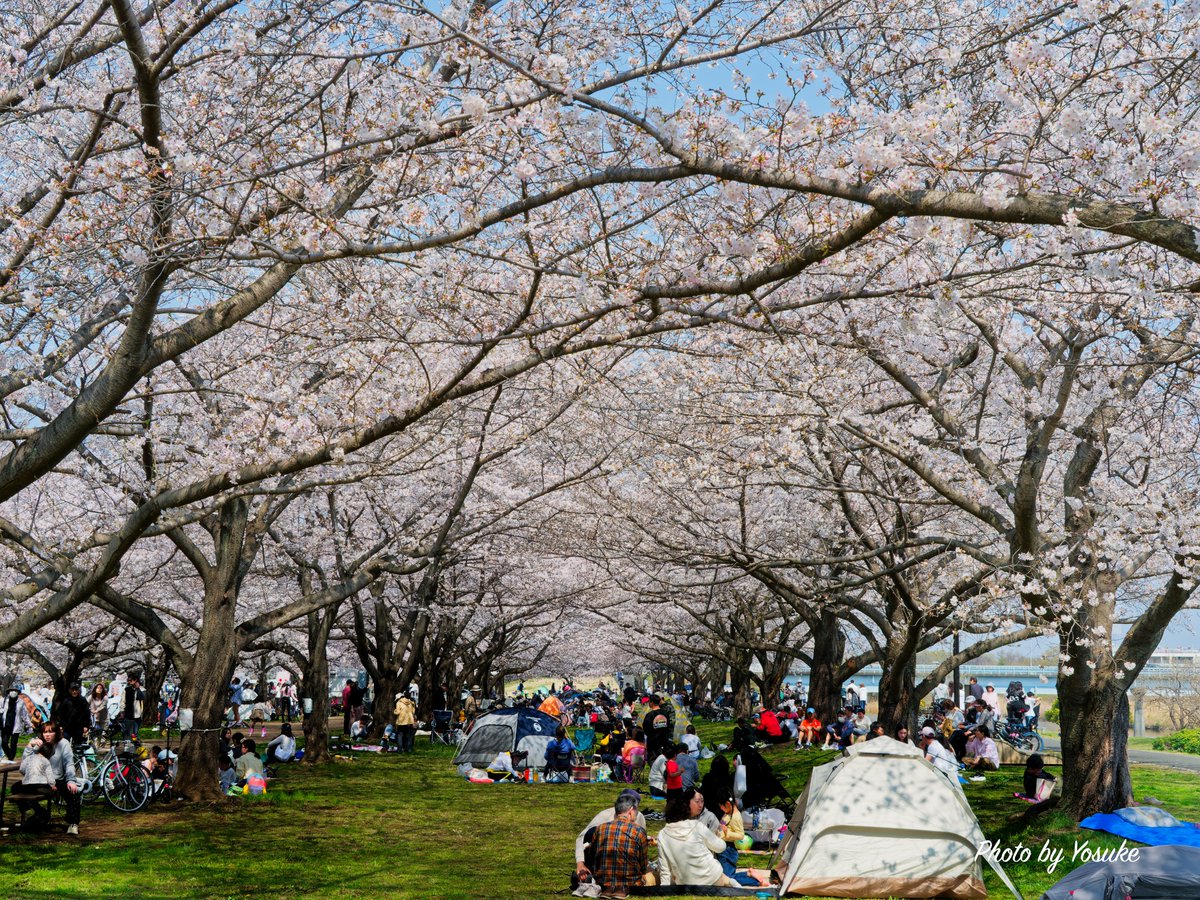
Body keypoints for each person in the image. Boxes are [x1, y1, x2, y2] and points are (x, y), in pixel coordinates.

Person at [657, 789, 770, 888]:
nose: (700, 804)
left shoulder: (663, 834)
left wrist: (664, 889)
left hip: (688, 880)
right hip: (710, 874)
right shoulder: (697, 825)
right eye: (697, 801)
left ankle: (748, 878)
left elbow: (664, 869)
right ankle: (747, 878)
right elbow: (719, 845)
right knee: (728, 878)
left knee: (729, 876)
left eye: (702, 801)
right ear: (687, 805)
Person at [22, 720, 83, 834]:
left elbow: (69, 763)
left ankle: (73, 823)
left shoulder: (63, 744)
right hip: (36, 781)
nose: (47, 735)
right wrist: (30, 745)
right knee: (17, 788)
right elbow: (25, 762)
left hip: (56, 780)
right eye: (45, 732)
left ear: (56, 733)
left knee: (73, 792)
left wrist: (71, 780)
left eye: (51, 732)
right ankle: (40, 813)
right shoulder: (37, 743)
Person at [586, 792, 650, 898]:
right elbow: (643, 864)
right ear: (630, 811)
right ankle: (622, 888)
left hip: (603, 880)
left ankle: (609, 888)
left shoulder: (600, 828)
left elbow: (593, 855)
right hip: (630, 881)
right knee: (652, 874)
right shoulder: (638, 830)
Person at [713, 787, 772, 887]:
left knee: (729, 878)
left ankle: (757, 882)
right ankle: (749, 873)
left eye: (721, 806)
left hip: (728, 851)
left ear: (728, 804)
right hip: (723, 849)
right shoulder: (728, 813)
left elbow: (740, 835)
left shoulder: (736, 817)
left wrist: (727, 832)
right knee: (726, 876)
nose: (720, 808)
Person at [14, 739, 56, 828]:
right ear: (49, 754)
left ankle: (27, 807)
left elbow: (21, 769)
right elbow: (50, 776)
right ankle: (41, 813)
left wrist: (27, 774)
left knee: (15, 787)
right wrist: (53, 785)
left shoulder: (29, 758)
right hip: (40, 786)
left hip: (27, 786)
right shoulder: (45, 761)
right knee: (52, 792)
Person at [1, 684, 32, 761]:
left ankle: (11, 759)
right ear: (8, 692)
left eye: (15, 691)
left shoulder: (21, 702)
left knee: (13, 744)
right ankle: (10, 756)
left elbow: (24, 714)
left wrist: (29, 724)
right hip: (5, 725)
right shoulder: (3, 700)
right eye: (11, 690)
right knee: (4, 743)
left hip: (16, 725)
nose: (13, 692)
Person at [642, 695, 671, 761]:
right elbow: (668, 726)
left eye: (649, 701)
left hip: (653, 744)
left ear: (652, 702)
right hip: (664, 742)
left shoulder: (650, 715)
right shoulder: (665, 713)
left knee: (654, 763)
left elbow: (645, 729)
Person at [122, 672, 144, 739]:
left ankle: (136, 746)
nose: (129, 682)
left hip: (138, 714)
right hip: (129, 713)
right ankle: (128, 744)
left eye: (131, 680)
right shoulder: (127, 689)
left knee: (135, 732)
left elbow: (141, 697)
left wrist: (137, 688)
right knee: (128, 732)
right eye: (128, 680)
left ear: (136, 680)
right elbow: (123, 701)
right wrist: (122, 711)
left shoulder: (142, 689)